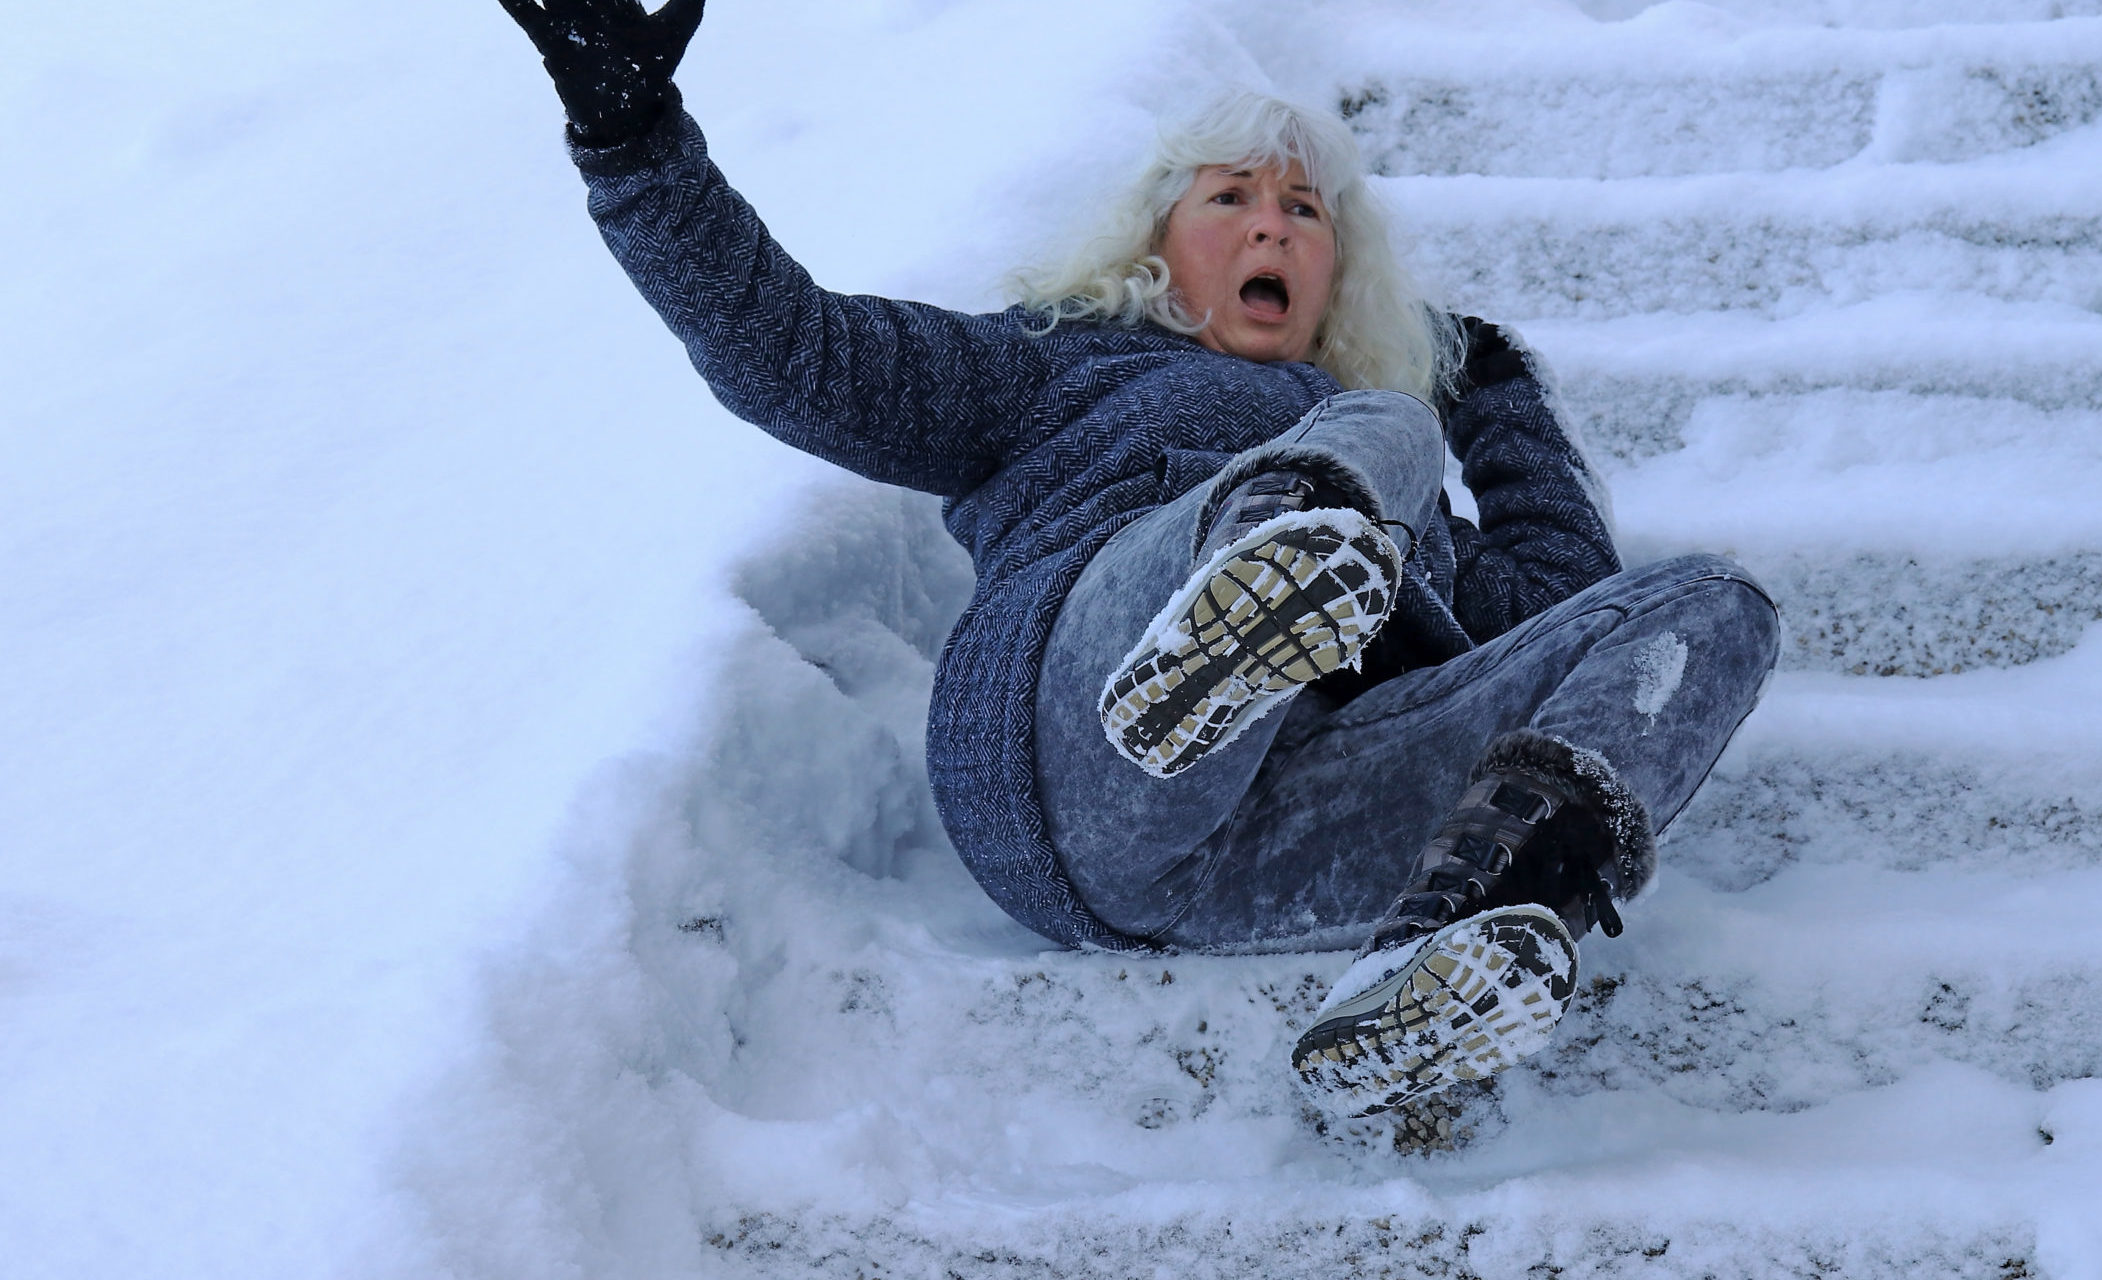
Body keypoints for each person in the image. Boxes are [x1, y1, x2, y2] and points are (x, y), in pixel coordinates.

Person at [498, 0, 1778, 1118]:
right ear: (1156, 241)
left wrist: (1494, 392)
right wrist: (635, 145)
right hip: (1074, 759)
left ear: (1338, 272)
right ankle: (1225, 627)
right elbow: (798, 353)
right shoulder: (1050, 362)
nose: (1271, 227)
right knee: (1369, 427)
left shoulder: (1407, 494)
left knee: (1715, 605)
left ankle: (1454, 939)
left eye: (1304, 211)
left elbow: (1564, 610)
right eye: (1230, 197)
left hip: (1284, 840)